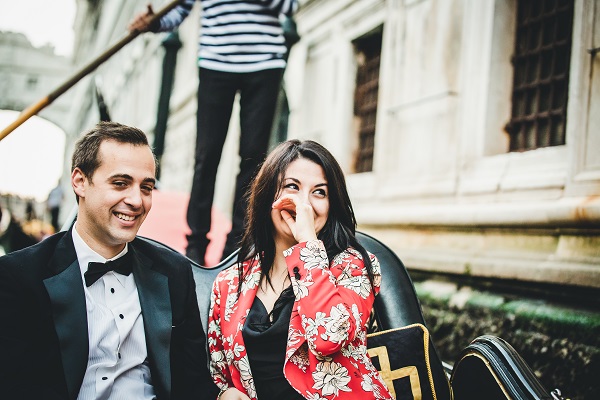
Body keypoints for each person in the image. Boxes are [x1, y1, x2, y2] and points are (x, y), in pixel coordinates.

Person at [0, 121, 218, 399]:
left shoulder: (173, 271)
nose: (137, 200)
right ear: (80, 182)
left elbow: (192, 379)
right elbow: (14, 386)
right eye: (120, 183)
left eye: (147, 187)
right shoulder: (19, 276)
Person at [207, 140, 393, 400]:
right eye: (292, 187)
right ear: (267, 195)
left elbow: (329, 339)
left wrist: (307, 242)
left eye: (319, 192)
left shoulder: (354, 266)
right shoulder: (228, 283)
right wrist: (224, 393)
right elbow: (218, 373)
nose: (304, 204)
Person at [129, 0, 298, 265]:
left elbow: (290, 6)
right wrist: (155, 22)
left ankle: (238, 243)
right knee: (206, 156)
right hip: (215, 62)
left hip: (265, 63)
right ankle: (195, 243)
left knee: (253, 158)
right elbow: (180, 10)